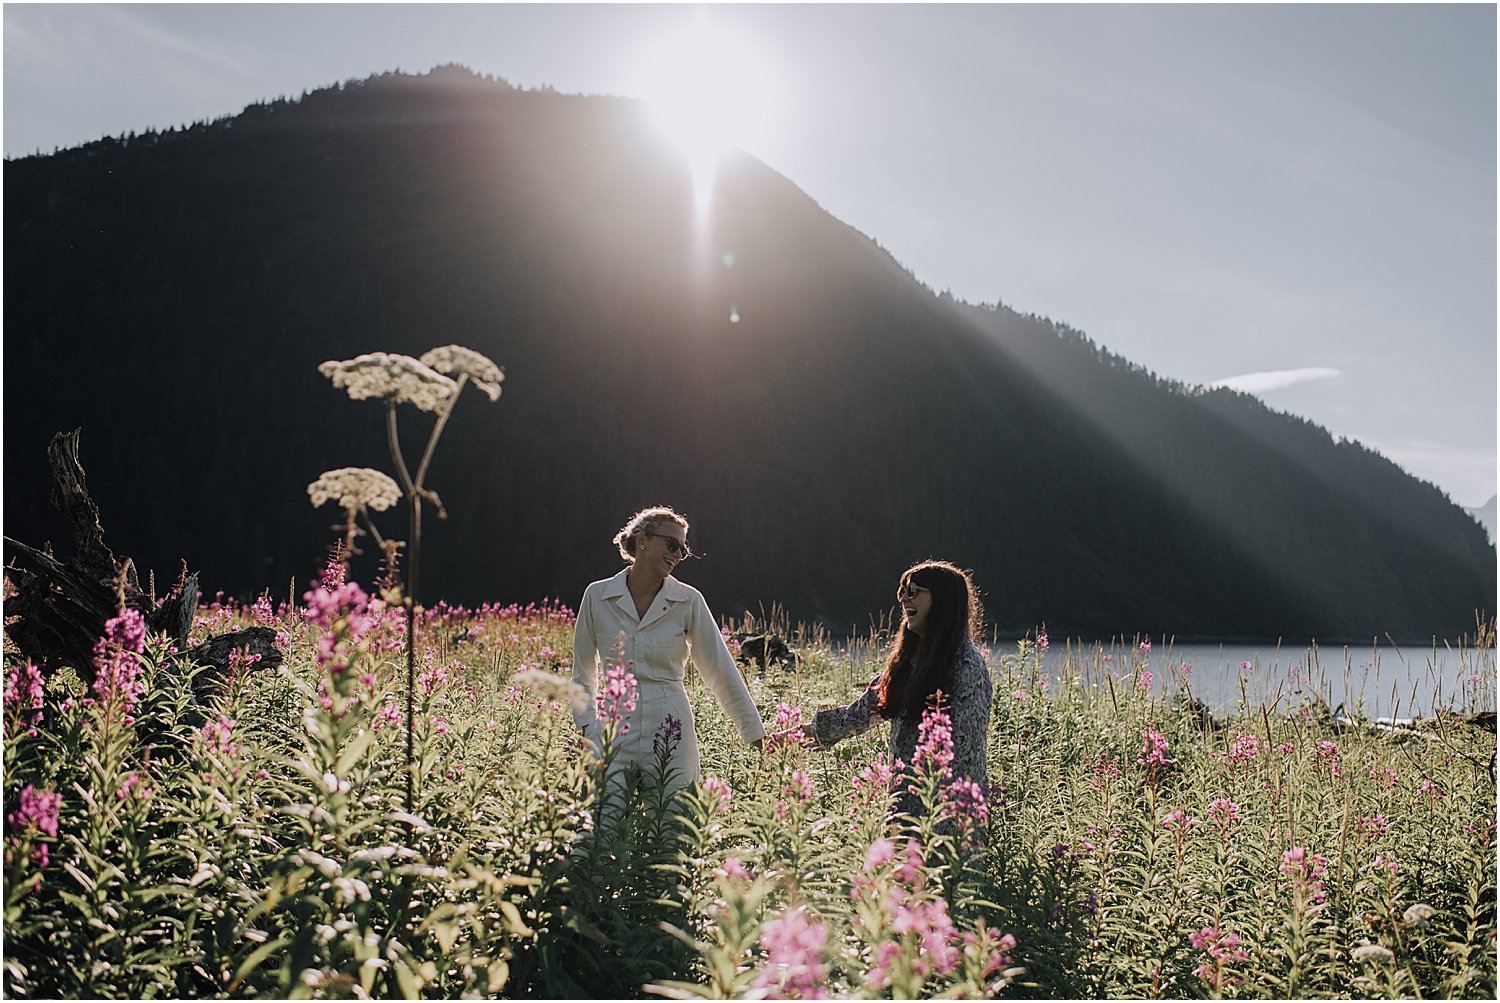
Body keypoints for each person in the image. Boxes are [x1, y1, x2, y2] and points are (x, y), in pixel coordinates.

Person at [571, 506, 766, 792]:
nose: (678, 554)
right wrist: (589, 727)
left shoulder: (689, 601)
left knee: (673, 826)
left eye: (683, 550)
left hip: (671, 730)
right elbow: (583, 672)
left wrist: (755, 735)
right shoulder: (597, 596)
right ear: (642, 541)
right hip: (612, 731)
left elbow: (720, 670)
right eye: (672, 544)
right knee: (604, 825)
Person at [800, 560, 992, 819]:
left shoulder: (967, 665)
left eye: (912, 591)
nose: (902, 598)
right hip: (904, 811)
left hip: (946, 820)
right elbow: (856, 716)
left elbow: (965, 752)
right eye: (901, 590)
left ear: (943, 601)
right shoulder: (912, 661)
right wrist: (789, 739)